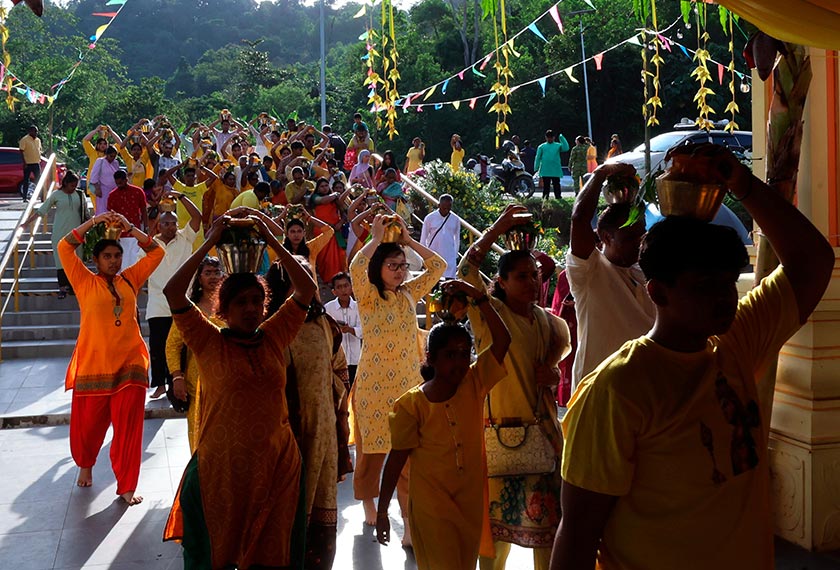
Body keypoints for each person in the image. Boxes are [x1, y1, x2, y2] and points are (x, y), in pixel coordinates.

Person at [550, 143, 834, 570]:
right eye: (705, 286)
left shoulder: (733, 343)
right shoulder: (614, 392)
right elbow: (576, 536)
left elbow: (813, 261)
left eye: (727, 283)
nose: (724, 299)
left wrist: (740, 182)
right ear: (659, 292)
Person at [162, 209, 317, 570]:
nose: (250, 309)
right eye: (240, 303)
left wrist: (272, 239)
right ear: (223, 309)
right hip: (222, 470)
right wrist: (210, 241)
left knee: (273, 557)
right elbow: (173, 292)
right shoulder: (207, 340)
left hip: (277, 465)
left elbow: (306, 288)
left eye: (256, 301)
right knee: (215, 556)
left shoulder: (275, 335)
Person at [458, 205, 572, 570]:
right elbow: (465, 271)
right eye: (522, 276)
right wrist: (498, 227)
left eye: (536, 275)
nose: (533, 282)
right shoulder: (489, 313)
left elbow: (552, 369)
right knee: (493, 540)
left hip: (542, 437)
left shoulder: (546, 321)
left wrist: (553, 377)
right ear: (501, 281)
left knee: (549, 532)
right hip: (497, 439)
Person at [376, 278, 511, 569]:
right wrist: (382, 511)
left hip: (470, 506)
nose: (460, 362)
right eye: (450, 355)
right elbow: (396, 461)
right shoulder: (411, 405)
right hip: (431, 509)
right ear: (432, 359)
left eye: (465, 353)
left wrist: (477, 296)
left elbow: (503, 340)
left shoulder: (475, 382)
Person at [349, 214, 446, 539]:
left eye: (403, 265)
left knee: (408, 459)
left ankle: (407, 522)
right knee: (370, 455)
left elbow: (439, 267)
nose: (401, 271)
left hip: (407, 387)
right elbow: (354, 270)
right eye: (393, 265)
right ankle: (369, 507)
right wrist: (375, 239)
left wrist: (407, 241)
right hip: (372, 388)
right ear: (378, 267)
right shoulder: (368, 297)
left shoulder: (409, 294)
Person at [60, 211, 163, 505]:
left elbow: (157, 252)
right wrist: (93, 222)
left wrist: (131, 229)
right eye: (107, 256)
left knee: (129, 429)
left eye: (117, 256)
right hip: (94, 366)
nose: (114, 261)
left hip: (130, 364)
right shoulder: (83, 281)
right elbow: (65, 248)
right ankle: (86, 463)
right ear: (96, 260)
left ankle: (128, 486)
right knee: (88, 428)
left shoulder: (130, 279)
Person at [266, 257, 347, 570]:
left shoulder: (325, 323)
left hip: (324, 428)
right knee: (288, 511)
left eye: (311, 277)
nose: (309, 285)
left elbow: (339, 368)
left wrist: (334, 403)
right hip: (288, 433)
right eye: (300, 278)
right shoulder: (273, 327)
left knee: (322, 507)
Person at [566, 163, 656, 391]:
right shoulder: (589, 271)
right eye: (630, 237)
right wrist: (601, 173)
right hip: (597, 393)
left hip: (645, 392)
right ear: (605, 236)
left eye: (642, 233)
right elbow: (579, 218)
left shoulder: (646, 272)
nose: (639, 242)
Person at [143, 192, 202, 400]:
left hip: (183, 302)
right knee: (158, 346)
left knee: (182, 346)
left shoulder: (185, 238)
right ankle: (160, 384)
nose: (170, 227)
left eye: (173, 223)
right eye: (165, 223)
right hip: (158, 304)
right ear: (159, 225)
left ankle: (180, 383)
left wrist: (181, 196)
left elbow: (197, 218)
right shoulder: (151, 245)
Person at [165, 256, 224, 450]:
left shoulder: (230, 306)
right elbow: (173, 345)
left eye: (217, 272)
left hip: (228, 380)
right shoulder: (190, 309)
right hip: (196, 382)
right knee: (200, 439)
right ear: (199, 278)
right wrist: (177, 377)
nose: (213, 277)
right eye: (208, 273)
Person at [23, 171, 87, 298]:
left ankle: (75, 286)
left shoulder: (80, 195)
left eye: (75, 186)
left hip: (76, 233)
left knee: (76, 261)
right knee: (61, 261)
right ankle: (62, 288)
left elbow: (85, 214)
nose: (73, 188)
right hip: (60, 233)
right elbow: (42, 210)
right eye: (71, 186)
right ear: (65, 183)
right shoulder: (56, 195)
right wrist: (26, 223)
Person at [309, 177, 350, 284]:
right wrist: (335, 194)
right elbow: (323, 200)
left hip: (336, 230)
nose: (324, 188)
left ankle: (339, 278)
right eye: (322, 186)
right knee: (325, 258)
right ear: (317, 188)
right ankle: (328, 279)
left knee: (339, 254)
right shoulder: (315, 197)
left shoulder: (335, 199)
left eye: (326, 186)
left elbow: (344, 213)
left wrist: (340, 223)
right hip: (322, 231)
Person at [324, 272, 362, 385]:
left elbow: (364, 331)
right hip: (337, 360)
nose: (343, 290)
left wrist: (350, 330)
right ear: (334, 291)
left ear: (351, 287)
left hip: (356, 359)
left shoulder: (359, 308)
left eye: (346, 286)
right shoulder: (328, 308)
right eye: (339, 287)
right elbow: (326, 332)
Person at [107, 170, 149, 268]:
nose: (119, 185)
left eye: (121, 182)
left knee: (134, 261)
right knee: (122, 262)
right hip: (120, 235)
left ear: (126, 179)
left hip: (135, 232)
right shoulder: (112, 195)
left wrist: (146, 228)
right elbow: (111, 215)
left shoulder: (138, 192)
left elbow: (143, 210)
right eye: (117, 183)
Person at [420, 194, 461, 279]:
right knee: (433, 279)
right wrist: (423, 255)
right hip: (433, 254)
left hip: (449, 257)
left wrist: (455, 255)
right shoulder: (429, 218)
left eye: (448, 207)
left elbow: (457, 239)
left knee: (449, 281)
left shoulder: (455, 219)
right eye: (444, 207)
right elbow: (423, 238)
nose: (446, 210)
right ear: (439, 205)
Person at [89, 145, 121, 215]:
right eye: (111, 156)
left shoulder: (115, 163)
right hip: (103, 191)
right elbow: (94, 176)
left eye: (114, 156)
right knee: (103, 210)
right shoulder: (100, 161)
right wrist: (97, 189)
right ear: (106, 154)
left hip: (114, 190)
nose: (112, 158)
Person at [535, 130, 566, 200]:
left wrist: (562, 138)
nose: (550, 139)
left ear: (554, 137)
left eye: (551, 137)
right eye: (548, 137)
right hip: (546, 169)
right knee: (546, 185)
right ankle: (545, 197)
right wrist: (536, 167)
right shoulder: (542, 146)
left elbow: (566, 148)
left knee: (556, 184)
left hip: (555, 169)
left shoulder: (558, 145)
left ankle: (558, 196)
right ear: (545, 137)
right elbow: (538, 157)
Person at [18, 125, 42, 200]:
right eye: (34, 131)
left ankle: (41, 196)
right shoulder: (24, 140)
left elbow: (39, 150)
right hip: (28, 164)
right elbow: (21, 151)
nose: (36, 133)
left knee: (39, 179)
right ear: (30, 131)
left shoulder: (38, 140)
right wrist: (24, 163)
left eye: (36, 131)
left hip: (36, 163)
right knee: (26, 181)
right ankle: (24, 197)